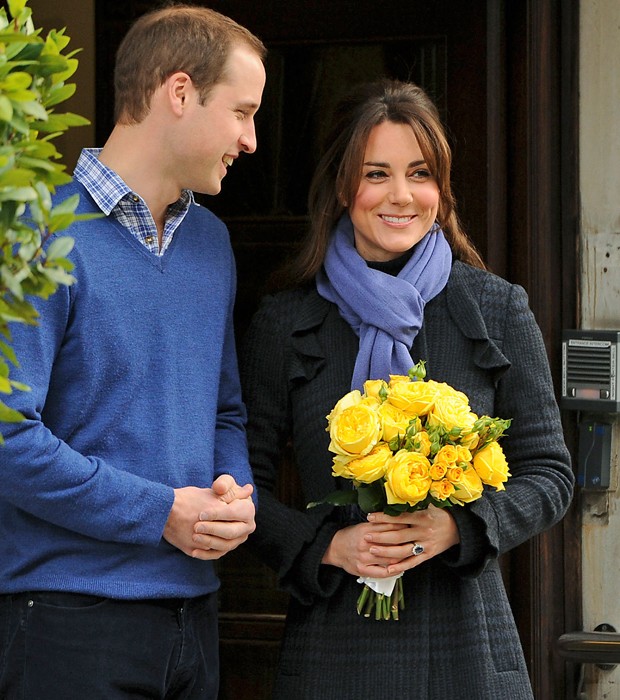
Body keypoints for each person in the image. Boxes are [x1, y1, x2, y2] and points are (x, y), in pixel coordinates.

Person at [240, 79, 574, 699]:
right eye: (376, 174)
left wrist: (460, 527)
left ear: (441, 190)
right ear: (344, 188)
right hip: (333, 648)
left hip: (467, 647)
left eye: (420, 174)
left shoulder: (495, 308)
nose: (401, 196)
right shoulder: (285, 322)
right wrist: (330, 545)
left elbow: (551, 473)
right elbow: (237, 485)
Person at [0, 5, 266, 699]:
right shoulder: (33, 232)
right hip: (68, 619)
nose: (251, 138)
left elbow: (224, 412)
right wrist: (160, 513)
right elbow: (6, 436)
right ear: (179, 93)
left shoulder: (212, 245)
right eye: (242, 112)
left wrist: (233, 493)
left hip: (194, 619)